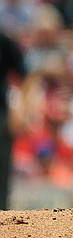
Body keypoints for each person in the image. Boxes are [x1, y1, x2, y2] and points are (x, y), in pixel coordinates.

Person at [0, 30, 27, 209]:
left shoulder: (4, 42)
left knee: (2, 170)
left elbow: (24, 75)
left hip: (1, 113)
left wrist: (18, 105)